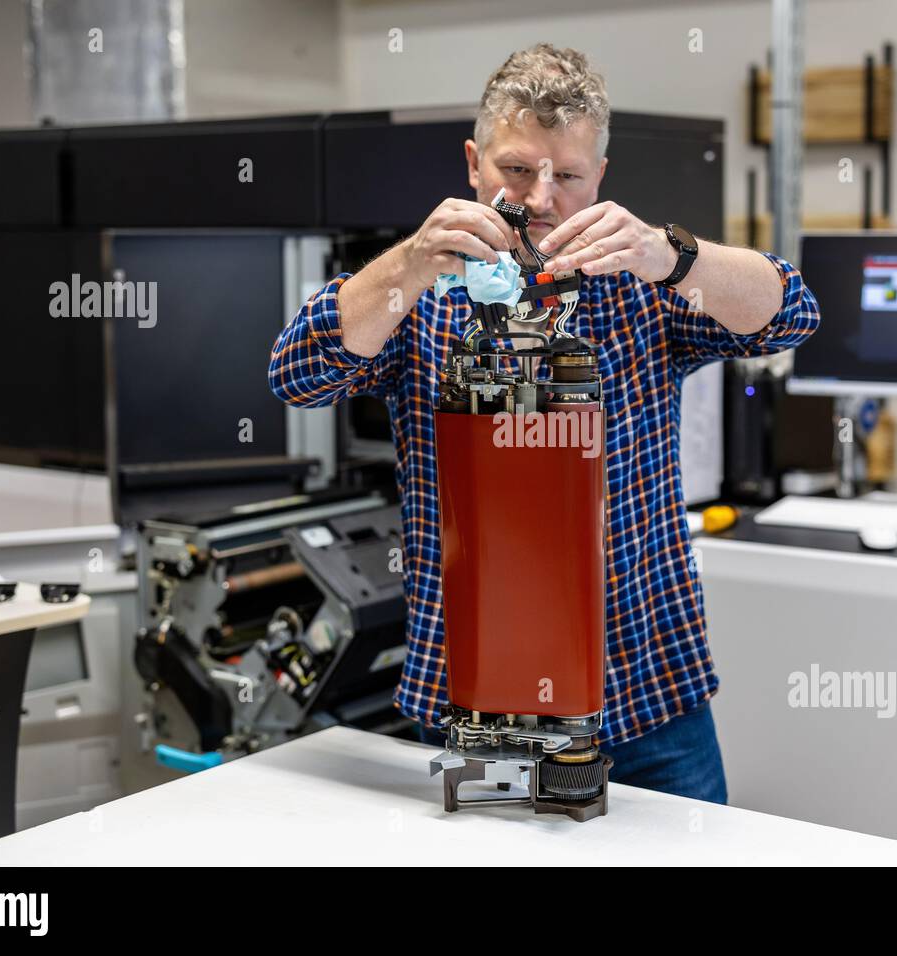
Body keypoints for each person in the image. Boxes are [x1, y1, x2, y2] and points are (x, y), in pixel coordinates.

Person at [269, 43, 820, 804]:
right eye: (517, 170)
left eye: (566, 175)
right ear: (473, 162)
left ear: (599, 177)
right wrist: (407, 267)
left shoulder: (641, 292)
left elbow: (790, 315)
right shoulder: (423, 303)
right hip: (475, 700)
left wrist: (672, 256)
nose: (540, 197)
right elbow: (297, 376)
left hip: (647, 693)